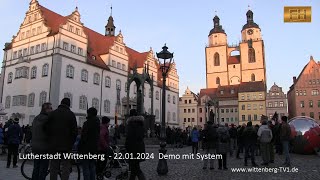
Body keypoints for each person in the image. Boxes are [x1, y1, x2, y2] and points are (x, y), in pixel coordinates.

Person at [46, 98, 77, 180]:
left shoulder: (53, 113)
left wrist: (50, 141)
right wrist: (71, 144)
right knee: (65, 167)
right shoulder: (71, 115)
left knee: (54, 167)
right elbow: (74, 132)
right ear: (69, 104)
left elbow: (46, 128)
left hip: (54, 146)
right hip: (66, 146)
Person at [31, 102, 52, 180]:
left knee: (36, 168)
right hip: (44, 147)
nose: (51, 110)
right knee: (43, 169)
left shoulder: (36, 118)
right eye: (50, 108)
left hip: (35, 147)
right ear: (46, 109)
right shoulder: (47, 119)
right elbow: (49, 132)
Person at [78, 107, 100, 180]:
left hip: (86, 148)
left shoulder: (87, 123)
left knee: (86, 167)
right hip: (94, 148)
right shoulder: (97, 123)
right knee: (92, 166)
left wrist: (80, 147)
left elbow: (84, 136)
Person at [125, 109, 146, 180]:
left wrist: (126, 147)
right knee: (134, 168)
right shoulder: (141, 124)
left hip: (133, 149)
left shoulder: (131, 125)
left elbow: (129, 138)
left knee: (135, 168)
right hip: (140, 148)